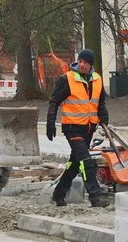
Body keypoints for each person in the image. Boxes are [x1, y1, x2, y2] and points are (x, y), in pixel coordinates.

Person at [47, 48, 110, 207]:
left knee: (75, 164)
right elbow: (54, 101)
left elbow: (100, 102)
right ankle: (96, 197)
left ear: (90, 65)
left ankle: (58, 194)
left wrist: (104, 117)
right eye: (80, 61)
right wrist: (50, 123)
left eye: (85, 62)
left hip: (88, 128)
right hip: (72, 128)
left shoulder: (97, 79)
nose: (82, 65)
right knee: (86, 162)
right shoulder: (67, 79)